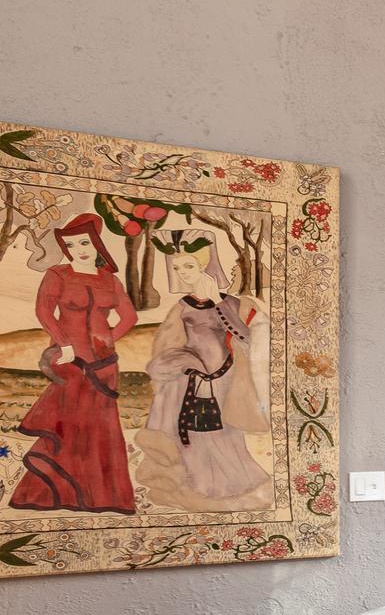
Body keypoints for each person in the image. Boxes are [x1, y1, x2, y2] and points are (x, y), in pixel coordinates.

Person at [133, 231, 274, 511]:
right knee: (193, 437)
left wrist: (218, 302)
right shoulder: (182, 307)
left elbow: (244, 337)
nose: (183, 273)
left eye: (188, 266)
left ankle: (230, 487)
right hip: (188, 382)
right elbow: (167, 345)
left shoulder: (230, 303)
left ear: (203, 267)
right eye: (176, 267)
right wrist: (188, 363)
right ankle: (199, 487)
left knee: (224, 436)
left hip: (225, 381)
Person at [8, 214, 138, 512]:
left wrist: (108, 340)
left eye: (84, 242)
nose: (78, 249)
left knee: (100, 426)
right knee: (66, 422)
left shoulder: (110, 280)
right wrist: (63, 343)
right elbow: (44, 311)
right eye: (70, 244)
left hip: (104, 365)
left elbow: (129, 317)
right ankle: (49, 493)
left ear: (96, 243)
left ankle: (102, 497)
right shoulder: (58, 275)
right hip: (69, 358)